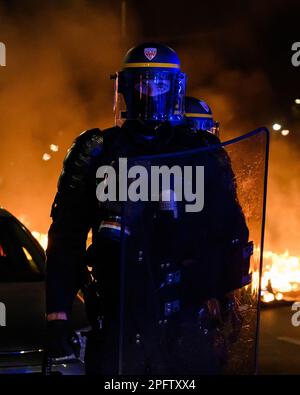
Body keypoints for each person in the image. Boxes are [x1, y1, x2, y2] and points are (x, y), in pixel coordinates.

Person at [45, 43, 251, 374]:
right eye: (142, 81)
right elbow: (66, 238)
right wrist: (57, 313)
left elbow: (231, 232)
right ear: (125, 87)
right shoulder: (97, 152)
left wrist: (221, 291)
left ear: (175, 87)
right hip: (119, 320)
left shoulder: (200, 152)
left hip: (187, 320)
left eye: (159, 82)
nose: (150, 90)